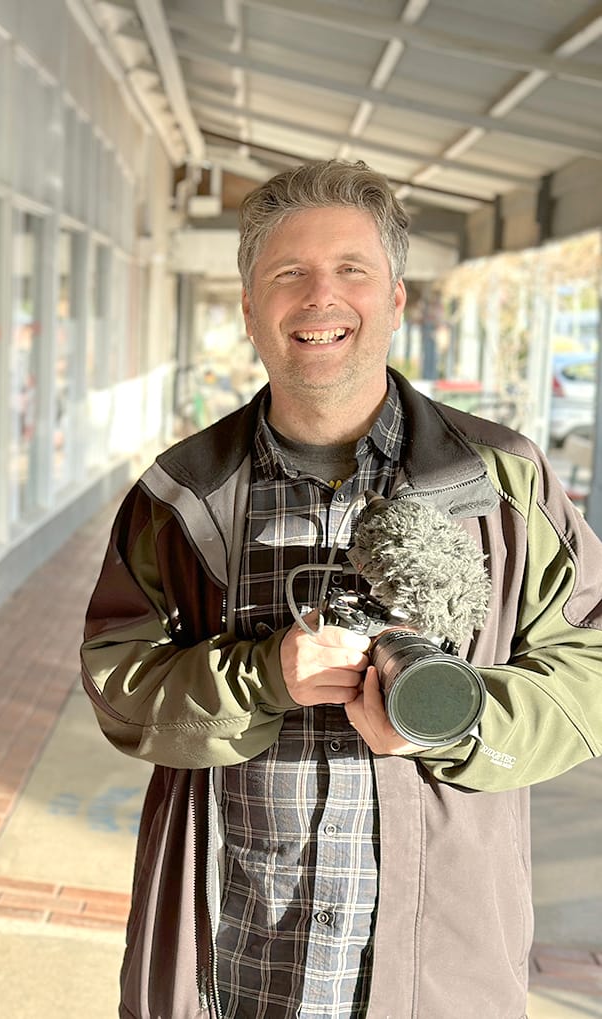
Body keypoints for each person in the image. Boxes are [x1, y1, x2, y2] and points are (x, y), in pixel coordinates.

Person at [80, 159, 602, 1018]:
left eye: (351, 270)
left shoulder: (500, 479)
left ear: (397, 299)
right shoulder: (181, 494)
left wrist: (457, 719)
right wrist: (261, 678)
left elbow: (588, 661)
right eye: (289, 273)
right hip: (232, 960)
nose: (320, 297)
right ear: (249, 309)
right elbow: (120, 688)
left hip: (436, 968)